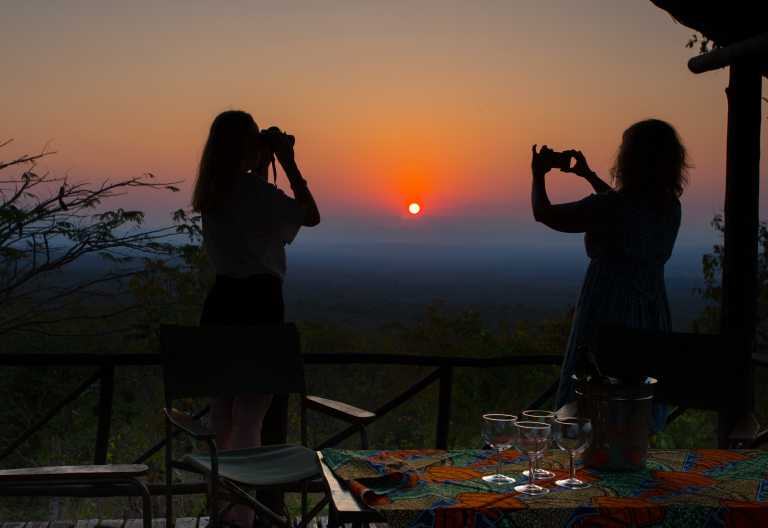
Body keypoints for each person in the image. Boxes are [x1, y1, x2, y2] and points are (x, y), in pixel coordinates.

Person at [191, 110, 320, 527]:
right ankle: (243, 519)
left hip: (220, 303)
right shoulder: (257, 193)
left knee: (222, 415)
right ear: (248, 145)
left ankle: (223, 512)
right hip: (261, 302)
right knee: (251, 416)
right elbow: (310, 215)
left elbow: (252, 209)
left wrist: (264, 162)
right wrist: (287, 160)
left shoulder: (212, 192)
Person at [530, 118, 688, 411]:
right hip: (651, 310)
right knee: (636, 402)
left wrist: (538, 174)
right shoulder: (669, 207)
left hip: (607, 310)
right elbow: (622, 208)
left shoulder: (611, 207)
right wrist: (588, 175)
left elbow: (545, 213)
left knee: (595, 399)